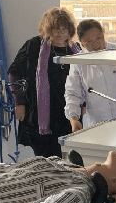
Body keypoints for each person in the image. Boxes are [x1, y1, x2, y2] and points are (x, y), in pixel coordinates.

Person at [8, 8, 80, 158]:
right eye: (56, 28)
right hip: (40, 114)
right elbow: (14, 74)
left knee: (73, 158)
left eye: (64, 28)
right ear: (47, 28)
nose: (61, 32)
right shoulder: (33, 45)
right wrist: (19, 103)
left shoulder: (76, 49)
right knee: (47, 158)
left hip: (70, 113)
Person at [65, 19, 116, 132]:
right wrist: (73, 119)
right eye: (89, 41)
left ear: (103, 35)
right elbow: (72, 93)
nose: (96, 44)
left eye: (99, 38)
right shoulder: (78, 61)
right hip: (96, 123)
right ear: (81, 43)